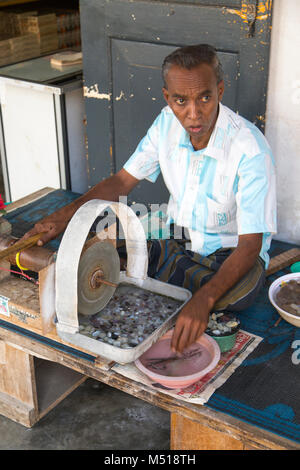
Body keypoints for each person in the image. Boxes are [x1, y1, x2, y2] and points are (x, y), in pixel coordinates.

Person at [22, 44, 276, 354]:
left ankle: (166, 273)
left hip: (230, 251)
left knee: (237, 291)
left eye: (205, 98)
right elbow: (121, 181)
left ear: (220, 91)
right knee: (113, 239)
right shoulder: (166, 124)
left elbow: (251, 244)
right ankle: (161, 269)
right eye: (181, 101)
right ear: (168, 98)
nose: (194, 113)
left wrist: (204, 300)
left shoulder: (251, 150)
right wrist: (62, 218)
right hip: (179, 236)